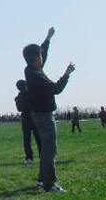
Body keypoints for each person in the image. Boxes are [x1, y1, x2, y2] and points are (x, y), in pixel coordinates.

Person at [24, 27, 75, 193]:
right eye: (39, 55)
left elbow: (42, 51)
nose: (42, 57)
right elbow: (56, 88)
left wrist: (48, 38)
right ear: (35, 59)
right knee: (50, 151)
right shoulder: (36, 76)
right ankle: (50, 184)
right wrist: (67, 73)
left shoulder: (31, 69)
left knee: (46, 149)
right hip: (44, 116)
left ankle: (41, 180)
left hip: (39, 115)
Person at [15, 80, 42, 163]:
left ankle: (29, 157)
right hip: (34, 117)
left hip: (25, 118)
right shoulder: (32, 95)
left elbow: (19, 109)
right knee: (39, 138)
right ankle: (42, 156)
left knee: (27, 139)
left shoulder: (18, 98)